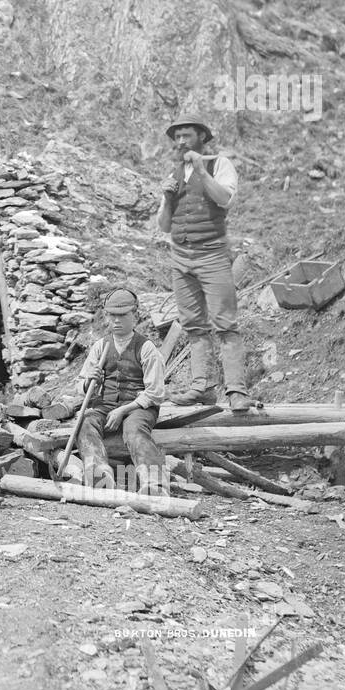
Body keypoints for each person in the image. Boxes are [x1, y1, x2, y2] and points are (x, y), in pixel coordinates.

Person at [157, 114, 254, 411]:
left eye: (186, 135)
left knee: (225, 324)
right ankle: (202, 387)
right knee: (194, 327)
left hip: (212, 255)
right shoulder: (174, 173)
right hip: (181, 258)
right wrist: (166, 198)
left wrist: (201, 170)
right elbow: (163, 225)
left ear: (201, 136)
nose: (180, 141)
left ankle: (236, 391)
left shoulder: (219, 164)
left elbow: (225, 199)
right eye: (177, 137)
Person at [75, 288, 168, 496]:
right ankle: (99, 474)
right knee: (85, 421)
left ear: (135, 315)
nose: (116, 321)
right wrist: (91, 380)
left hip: (138, 407)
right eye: (112, 315)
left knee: (134, 429)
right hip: (106, 404)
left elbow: (155, 393)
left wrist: (123, 410)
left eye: (123, 315)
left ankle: (155, 483)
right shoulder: (101, 346)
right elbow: (80, 386)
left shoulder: (146, 348)